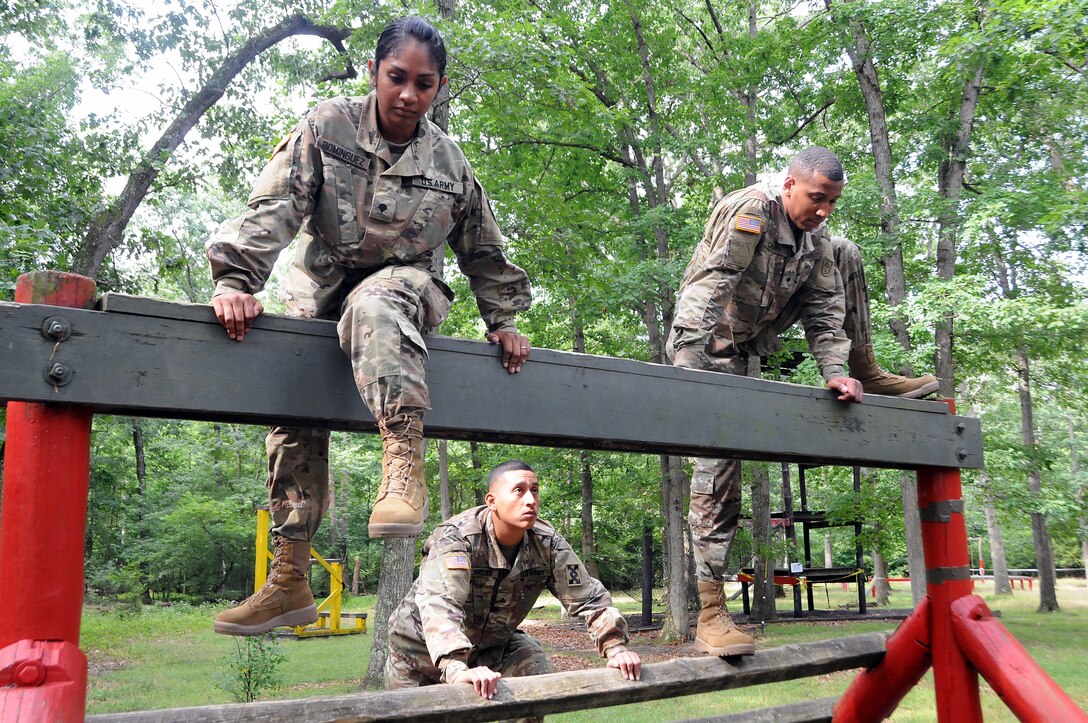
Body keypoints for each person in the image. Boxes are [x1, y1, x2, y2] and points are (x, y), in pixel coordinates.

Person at [206, 17, 532, 636]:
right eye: (397, 78)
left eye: (424, 83)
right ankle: (290, 577)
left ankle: (402, 464)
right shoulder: (327, 129)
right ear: (375, 72)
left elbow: (483, 248)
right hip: (321, 291)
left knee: (376, 304)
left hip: (406, 290)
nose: (409, 94)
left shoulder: (448, 161)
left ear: (438, 87)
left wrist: (504, 321)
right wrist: (236, 283)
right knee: (292, 407)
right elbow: (274, 208)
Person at [666, 146, 938, 657]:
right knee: (719, 469)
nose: (823, 211)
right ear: (789, 185)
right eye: (816, 198)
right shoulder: (750, 211)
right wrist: (686, 364)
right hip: (712, 346)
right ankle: (709, 612)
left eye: (832, 201)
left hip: (756, 340)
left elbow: (823, 307)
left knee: (847, 251)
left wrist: (837, 371)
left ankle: (866, 369)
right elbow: (712, 283)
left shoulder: (819, 241)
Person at [385, 460, 642, 700]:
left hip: (493, 646)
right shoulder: (458, 538)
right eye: (519, 491)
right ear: (492, 501)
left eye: (535, 490)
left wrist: (617, 649)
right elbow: (440, 602)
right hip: (419, 650)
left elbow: (589, 598)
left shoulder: (547, 543)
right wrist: (455, 667)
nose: (530, 500)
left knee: (539, 681)